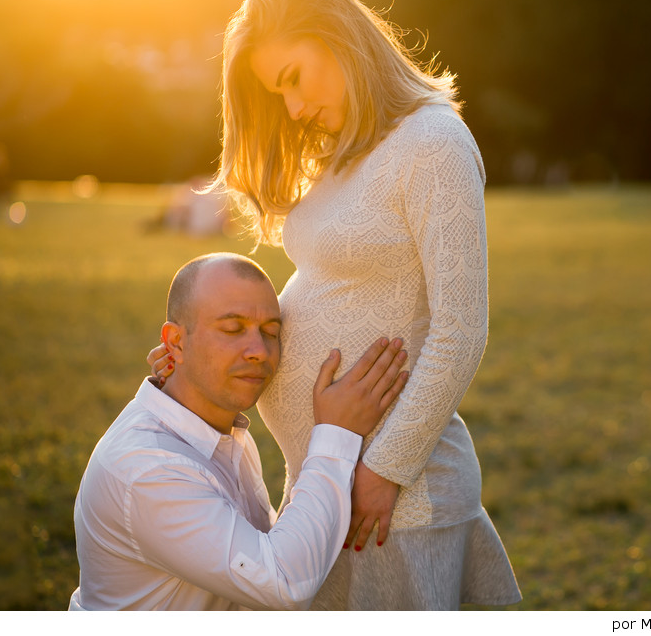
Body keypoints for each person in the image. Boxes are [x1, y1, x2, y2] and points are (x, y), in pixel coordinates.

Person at [150, 0, 521, 609]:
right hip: (329, 492)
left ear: (339, 39)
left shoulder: (432, 143)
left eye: (292, 77)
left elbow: (461, 332)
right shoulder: (345, 153)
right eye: (277, 92)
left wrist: (383, 472)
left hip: (402, 501)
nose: (291, 108)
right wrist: (200, 373)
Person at [71, 252, 410, 610]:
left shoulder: (223, 432)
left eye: (271, 333)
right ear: (175, 342)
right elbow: (283, 582)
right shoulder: (148, 471)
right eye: (232, 329)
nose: (259, 352)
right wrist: (337, 432)